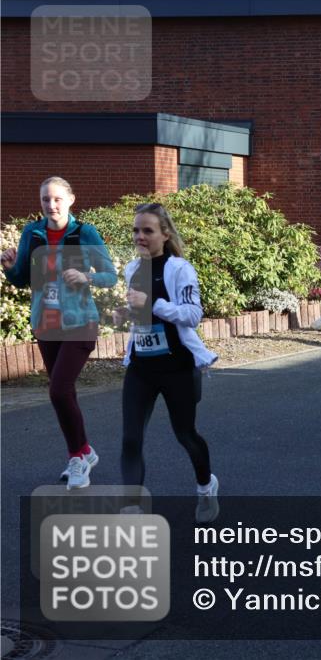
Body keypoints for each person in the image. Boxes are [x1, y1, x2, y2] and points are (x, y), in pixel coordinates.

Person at [2, 177, 117, 490]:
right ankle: (83, 454)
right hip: (46, 323)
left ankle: (79, 455)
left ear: (70, 200)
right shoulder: (32, 233)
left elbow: (110, 276)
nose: (51, 205)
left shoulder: (84, 233)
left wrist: (85, 276)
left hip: (80, 322)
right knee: (64, 393)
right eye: (45, 199)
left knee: (58, 390)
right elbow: (22, 278)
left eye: (56, 199)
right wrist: (10, 267)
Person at [121, 203, 220, 523]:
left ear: (164, 234)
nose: (140, 236)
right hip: (141, 367)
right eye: (136, 230)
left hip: (177, 367)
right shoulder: (132, 270)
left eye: (147, 230)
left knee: (185, 434)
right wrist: (126, 314)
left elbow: (192, 315)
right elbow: (143, 318)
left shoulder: (179, 269)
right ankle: (132, 507)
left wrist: (152, 302)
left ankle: (206, 487)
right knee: (131, 437)